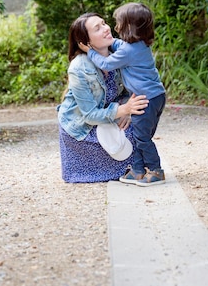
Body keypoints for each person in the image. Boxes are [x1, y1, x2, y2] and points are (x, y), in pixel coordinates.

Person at [79, 2, 166, 186]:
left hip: (145, 99)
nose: (115, 27)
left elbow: (106, 64)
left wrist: (90, 51)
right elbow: (118, 44)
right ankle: (138, 170)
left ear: (129, 27)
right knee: (138, 135)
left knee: (142, 138)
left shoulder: (127, 51)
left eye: (119, 23)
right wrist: (111, 42)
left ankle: (156, 170)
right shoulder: (140, 45)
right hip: (156, 96)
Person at [57, 13, 149, 183]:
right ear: (86, 43)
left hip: (110, 116)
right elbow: (90, 115)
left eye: (104, 23)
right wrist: (124, 109)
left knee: (140, 126)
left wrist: (127, 111)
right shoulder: (78, 68)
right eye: (97, 28)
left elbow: (128, 92)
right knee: (129, 148)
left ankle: (136, 167)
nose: (106, 29)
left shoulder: (120, 53)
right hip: (84, 127)